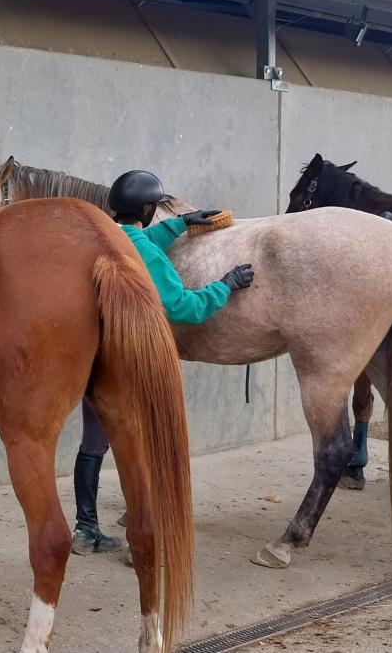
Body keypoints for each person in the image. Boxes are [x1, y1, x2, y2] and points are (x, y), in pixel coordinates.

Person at [71, 170, 254, 555]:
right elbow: (182, 306)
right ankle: (147, 538)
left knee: (92, 444)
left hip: (91, 359)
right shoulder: (147, 253)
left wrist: (181, 223)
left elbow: (137, 240)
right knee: (144, 447)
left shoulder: (99, 236)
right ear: (150, 208)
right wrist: (227, 285)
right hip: (130, 364)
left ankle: (85, 530)